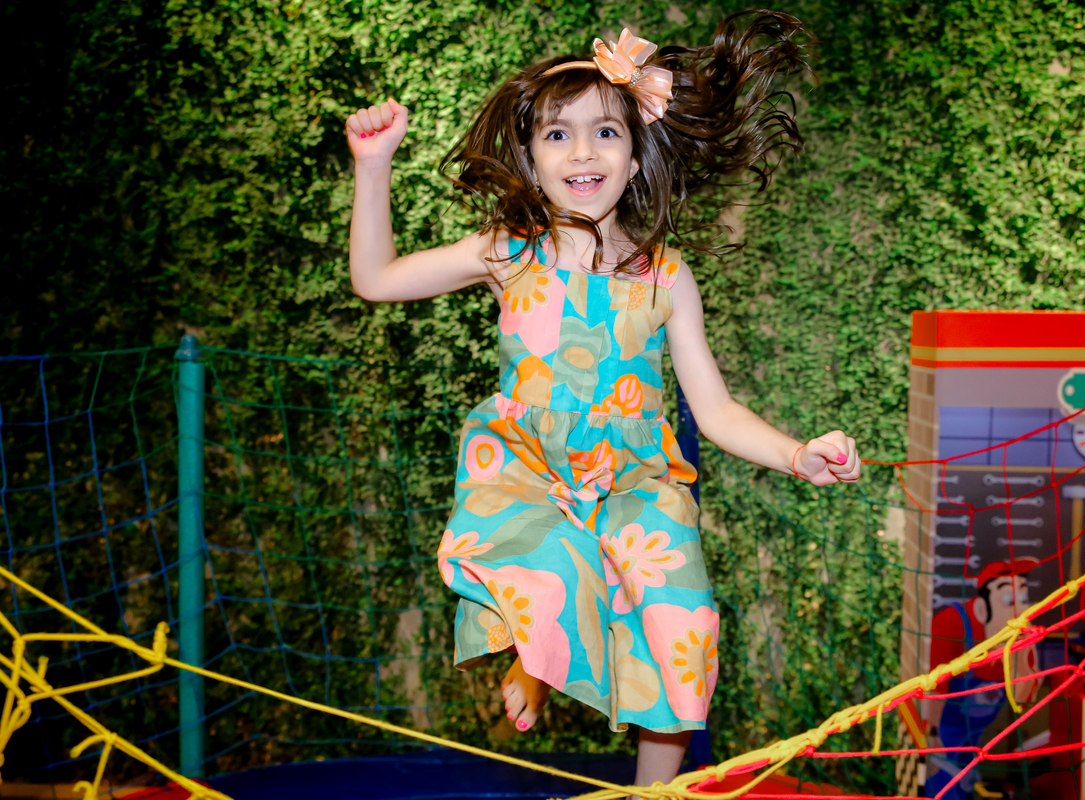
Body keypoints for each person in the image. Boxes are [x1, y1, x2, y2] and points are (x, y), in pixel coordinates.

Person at [344, 12, 861, 791]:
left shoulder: (666, 275)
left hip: (634, 481)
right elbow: (376, 280)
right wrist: (373, 164)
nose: (582, 152)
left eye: (605, 133)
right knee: (552, 563)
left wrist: (797, 453)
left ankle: (653, 791)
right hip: (530, 471)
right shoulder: (508, 252)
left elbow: (715, 410)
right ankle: (532, 657)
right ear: (529, 158)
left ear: (636, 153)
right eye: (558, 135)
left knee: (681, 628)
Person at [925, 558, 1041, 800]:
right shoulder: (952, 624)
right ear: (982, 607)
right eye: (1008, 600)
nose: (1018, 609)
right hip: (942, 733)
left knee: (967, 787)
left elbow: (1022, 701)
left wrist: (1022, 658)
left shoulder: (1019, 638)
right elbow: (935, 688)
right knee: (944, 789)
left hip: (975, 738)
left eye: (1023, 598)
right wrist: (931, 736)